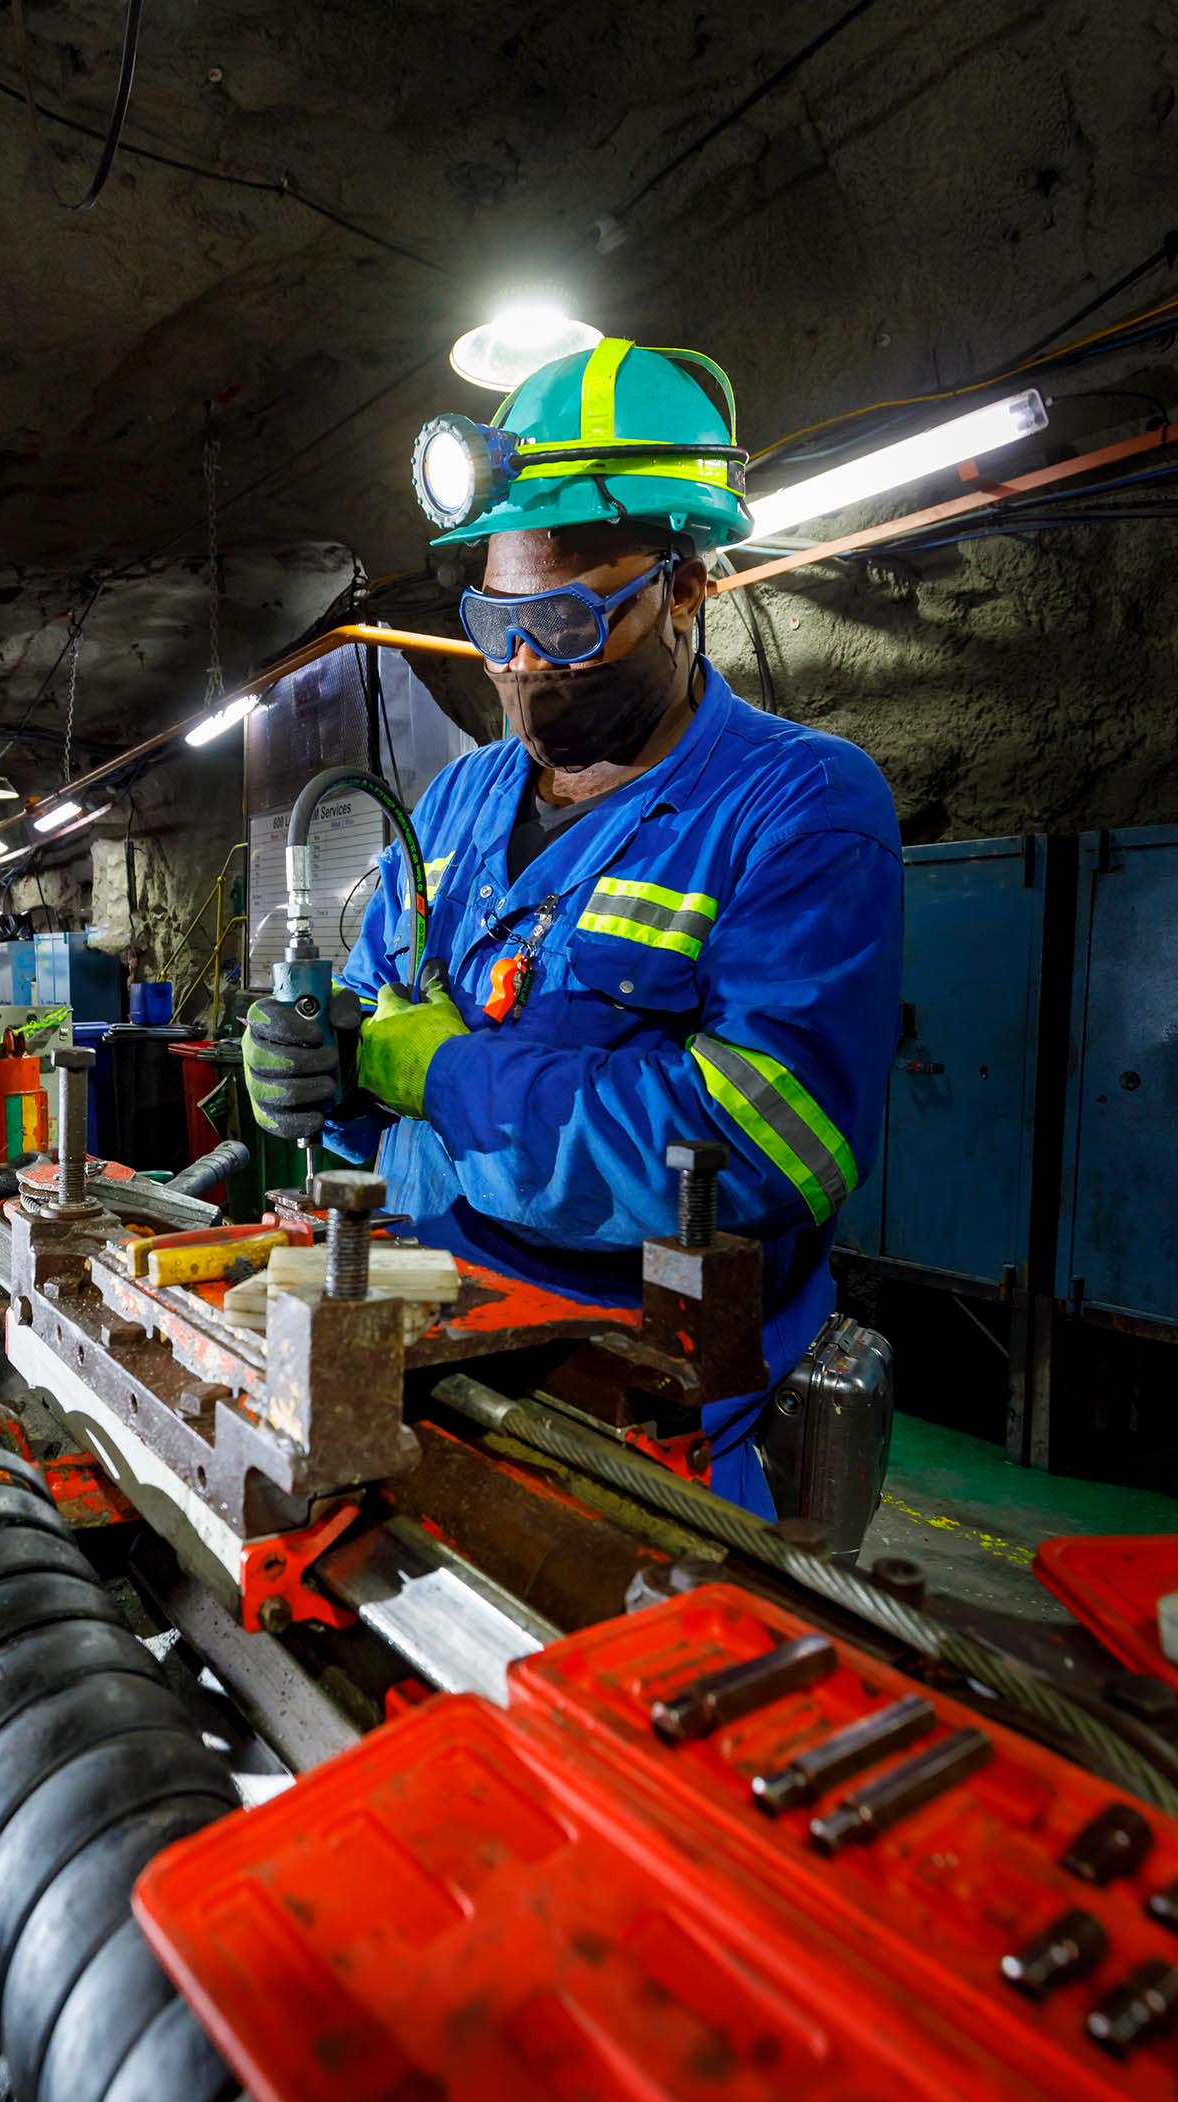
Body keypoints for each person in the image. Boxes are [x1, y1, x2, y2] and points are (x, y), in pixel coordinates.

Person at [245, 339, 902, 1509]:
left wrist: (448, 1078)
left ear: (685, 586)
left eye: (565, 623)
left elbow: (771, 1143)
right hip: (423, 1331)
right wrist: (329, 1068)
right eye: (496, 624)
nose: (520, 671)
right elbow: (379, 1017)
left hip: (646, 1401)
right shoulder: (456, 801)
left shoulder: (799, 804)